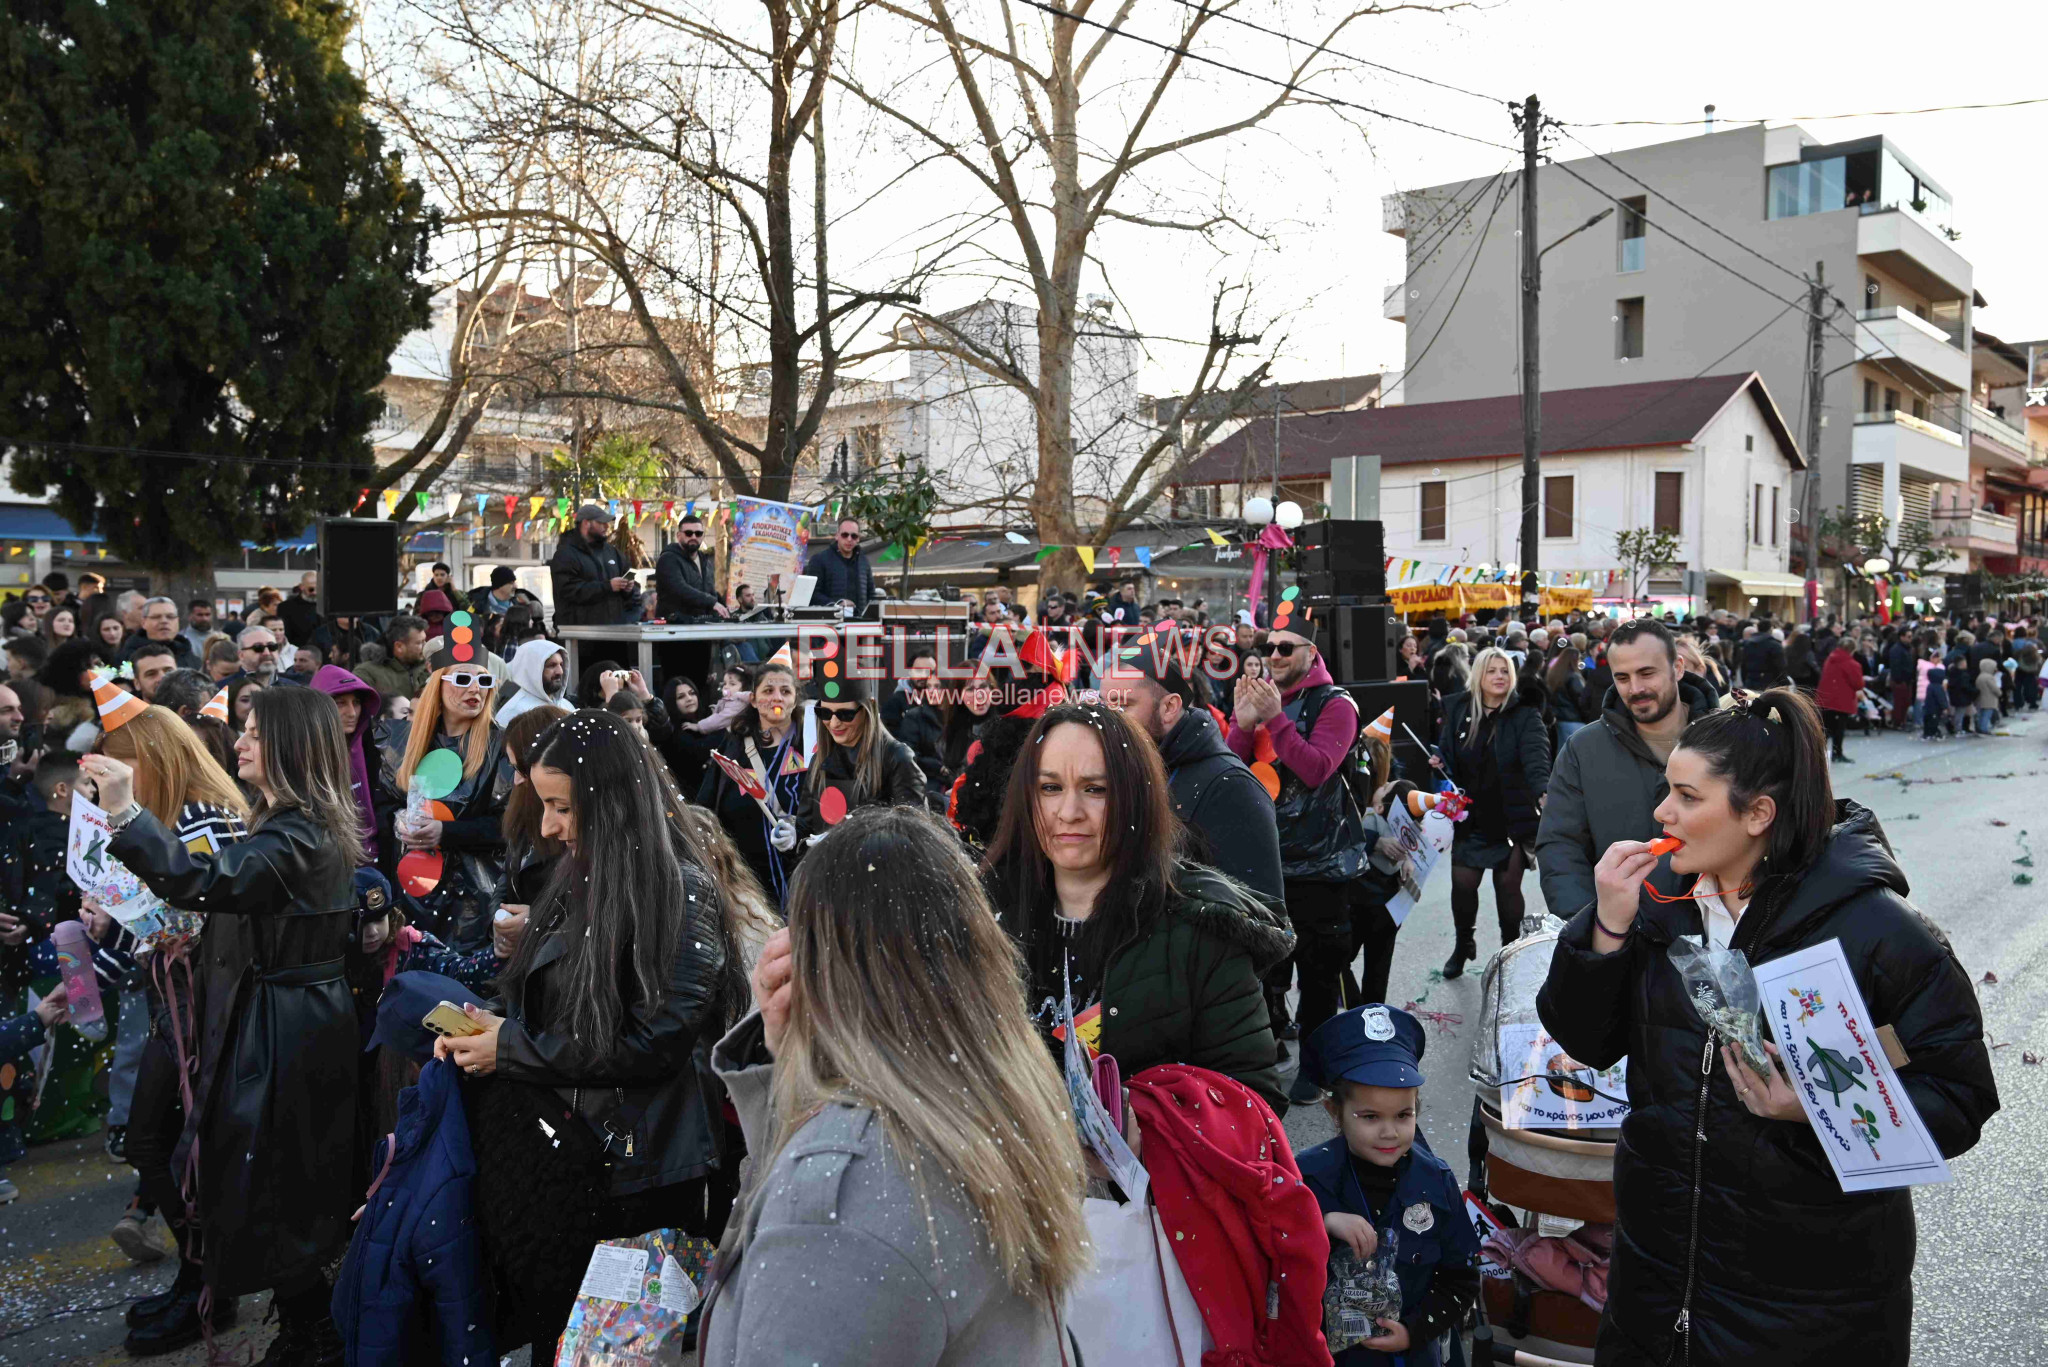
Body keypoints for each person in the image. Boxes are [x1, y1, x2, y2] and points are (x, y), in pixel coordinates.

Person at [1535, 689, 1998, 1366]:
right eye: (1668, 790)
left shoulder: (1876, 930)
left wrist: (1815, 1105)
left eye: (1688, 797)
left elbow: (1961, 1098)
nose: (1662, 812)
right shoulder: (1663, 903)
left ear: (1758, 814)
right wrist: (1604, 922)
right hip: (1655, 1287)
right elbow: (1588, 1039)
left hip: (1806, 1312)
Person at [700, 805, 1085, 1364]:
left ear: (818, 966)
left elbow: (840, 1229)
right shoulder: (987, 1100)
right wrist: (794, 1061)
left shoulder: (840, 1208)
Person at [433, 709, 738, 1355]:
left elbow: (656, 1042)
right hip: (578, 1162)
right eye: (542, 804)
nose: (547, 826)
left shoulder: (682, 891)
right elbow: (579, 1017)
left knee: (614, 1352)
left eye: (560, 807)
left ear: (612, 799)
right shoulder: (586, 873)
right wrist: (497, 1026)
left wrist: (510, 1046)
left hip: (647, 1174)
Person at [81, 687, 364, 1364]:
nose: (239, 742)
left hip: (285, 1028)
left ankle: (311, 1332)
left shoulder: (299, 832)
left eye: (255, 733)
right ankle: (301, 1323)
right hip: (280, 1019)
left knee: (274, 1181)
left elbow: (207, 879)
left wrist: (123, 812)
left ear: (292, 748)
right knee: (267, 1178)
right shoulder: (291, 823)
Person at [984, 700, 1291, 1110]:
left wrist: (1144, 1130)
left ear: (1134, 799)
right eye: (1050, 788)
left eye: (1095, 789)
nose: (1069, 812)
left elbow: (1253, 1101)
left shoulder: (1201, 929)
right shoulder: (981, 918)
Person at [93, 706, 251, 1355]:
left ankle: (210, 1281)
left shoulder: (206, 815)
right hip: (175, 1003)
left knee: (166, 1144)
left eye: (123, 761)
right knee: (153, 1142)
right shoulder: (173, 813)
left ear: (153, 758)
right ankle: (199, 1274)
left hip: (200, 1010)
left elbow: (208, 917)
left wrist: (132, 903)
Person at [1296, 1004, 1481, 1367]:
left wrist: (1414, 1330)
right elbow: (1271, 1256)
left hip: (1414, 1354)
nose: (1388, 1132)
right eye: (1369, 1117)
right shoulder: (1305, 1178)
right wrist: (1320, 1221)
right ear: (1334, 1112)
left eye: (1403, 1115)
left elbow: (1461, 1280)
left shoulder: (1437, 1182)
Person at [1224, 616, 1367, 1060]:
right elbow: (1231, 770)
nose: (1275, 656)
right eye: (1271, 648)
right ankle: (1271, 1049)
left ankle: (1315, 1064)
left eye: (1287, 648)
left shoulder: (1336, 705)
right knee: (1264, 967)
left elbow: (1315, 768)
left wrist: (1273, 720)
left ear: (1311, 653)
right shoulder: (1265, 697)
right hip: (1267, 855)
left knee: (1319, 972)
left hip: (1320, 863)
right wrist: (1244, 725)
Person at [1535, 618, 1717, 920]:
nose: (1635, 688)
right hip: (1617, 935)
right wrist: (1592, 927)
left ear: (1678, 668)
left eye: (1647, 673)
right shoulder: (1583, 749)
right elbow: (1560, 846)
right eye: (1622, 678)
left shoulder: (1727, 741)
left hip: (1716, 932)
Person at [1100, 642, 1284, 906]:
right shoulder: (1120, 768)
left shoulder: (1230, 786)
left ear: (1169, 707)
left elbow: (1263, 917)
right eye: (1104, 706)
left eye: (1123, 706)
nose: (1108, 720)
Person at [375, 650, 512, 947]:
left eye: (484, 680)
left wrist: (446, 832)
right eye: (463, 678)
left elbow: (510, 824)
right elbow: (382, 803)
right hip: (413, 891)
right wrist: (397, 820)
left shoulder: (502, 745)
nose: (475, 688)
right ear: (437, 683)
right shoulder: (401, 742)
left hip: (475, 905)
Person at [1436, 647, 1550, 977]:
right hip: (1471, 818)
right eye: (1492, 671)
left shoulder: (1524, 714)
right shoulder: (1460, 709)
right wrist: (1440, 762)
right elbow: (1448, 752)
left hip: (1510, 818)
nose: (1499, 676)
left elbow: (1536, 758)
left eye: (1504, 671)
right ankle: (1463, 945)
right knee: (1462, 887)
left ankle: (1509, 953)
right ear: (1479, 676)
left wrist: (1544, 792)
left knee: (1508, 891)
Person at [697, 659, 803, 901]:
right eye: (768, 690)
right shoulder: (734, 746)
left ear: (795, 699)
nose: (777, 697)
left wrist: (801, 830)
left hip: (800, 883)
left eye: (785, 691)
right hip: (742, 885)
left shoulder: (811, 748)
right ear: (753, 700)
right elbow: (706, 806)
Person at [790, 674, 925, 846]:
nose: (833, 723)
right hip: (826, 866)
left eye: (845, 714)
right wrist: (793, 835)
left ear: (868, 710)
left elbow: (914, 829)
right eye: (824, 713)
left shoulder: (896, 757)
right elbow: (807, 823)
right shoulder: (821, 759)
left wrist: (852, 833)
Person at [311, 664, 384, 862]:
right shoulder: (303, 756)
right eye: (340, 703)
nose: (352, 712)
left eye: (357, 703)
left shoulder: (374, 749)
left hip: (373, 859)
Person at [548, 504, 639, 626]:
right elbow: (569, 591)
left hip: (615, 630)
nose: (607, 526)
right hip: (579, 632)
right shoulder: (566, 554)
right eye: (601, 523)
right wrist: (608, 586)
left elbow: (632, 587)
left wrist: (628, 589)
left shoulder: (613, 552)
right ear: (586, 523)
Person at [654, 513, 728, 622]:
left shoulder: (706, 561)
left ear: (703, 536)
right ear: (678, 536)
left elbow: (710, 591)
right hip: (674, 628)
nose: (694, 537)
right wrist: (712, 602)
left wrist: (724, 608)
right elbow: (679, 589)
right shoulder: (668, 559)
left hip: (701, 627)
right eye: (688, 533)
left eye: (698, 533)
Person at [801, 517, 875, 616]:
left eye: (854, 536)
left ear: (858, 539)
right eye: (845, 535)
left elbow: (871, 595)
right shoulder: (819, 560)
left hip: (859, 623)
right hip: (830, 623)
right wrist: (836, 605)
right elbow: (811, 594)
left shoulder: (864, 562)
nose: (849, 539)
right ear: (837, 536)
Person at [353, 615, 430, 701]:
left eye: (425, 640)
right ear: (399, 647)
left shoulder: (427, 667)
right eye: (419, 643)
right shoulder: (366, 673)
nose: (425, 646)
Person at [495, 638, 567, 727]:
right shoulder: (513, 712)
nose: (560, 671)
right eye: (552, 665)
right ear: (533, 670)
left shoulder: (566, 706)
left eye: (561, 665)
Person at [1816, 634, 1864, 763]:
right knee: (1839, 730)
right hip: (1841, 701)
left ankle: (1817, 754)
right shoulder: (1852, 664)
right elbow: (1858, 684)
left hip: (1825, 699)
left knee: (1824, 729)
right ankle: (1837, 754)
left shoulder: (1830, 659)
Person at [278, 573, 321, 647]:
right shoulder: (286, 607)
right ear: (302, 587)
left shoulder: (328, 606)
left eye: (318, 589)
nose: (315, 592)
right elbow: (285, 635)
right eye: (311, 589)